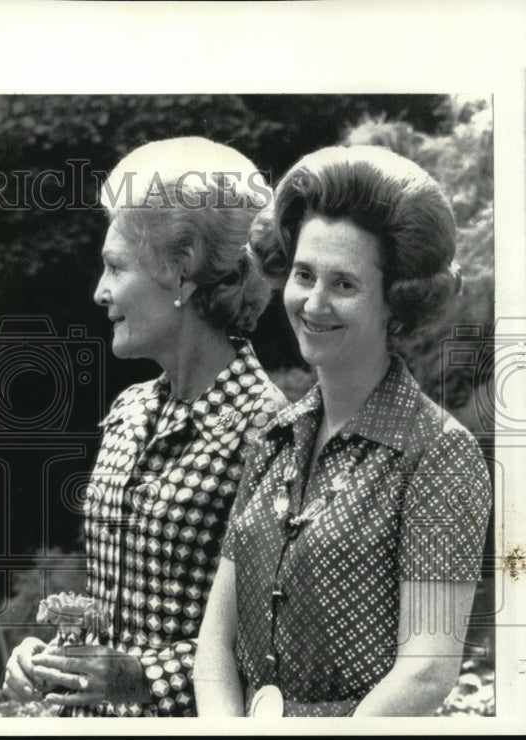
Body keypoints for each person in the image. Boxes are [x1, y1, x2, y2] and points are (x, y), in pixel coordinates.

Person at [194, 145, 492, 717]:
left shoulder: (438, 452)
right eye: (303, 275)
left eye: (344, 284)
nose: (313, 302)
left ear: (395, 302)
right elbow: (215, 647)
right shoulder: (272, 438)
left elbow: (426, 669)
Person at [3, 137, 287, 716]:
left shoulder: (269, 430)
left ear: (180, 274)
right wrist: (50, 657)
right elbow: (116, 606)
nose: (99, 292)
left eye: (115, 267)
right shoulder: (129, 411)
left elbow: (273, 646)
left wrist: (137, 677)